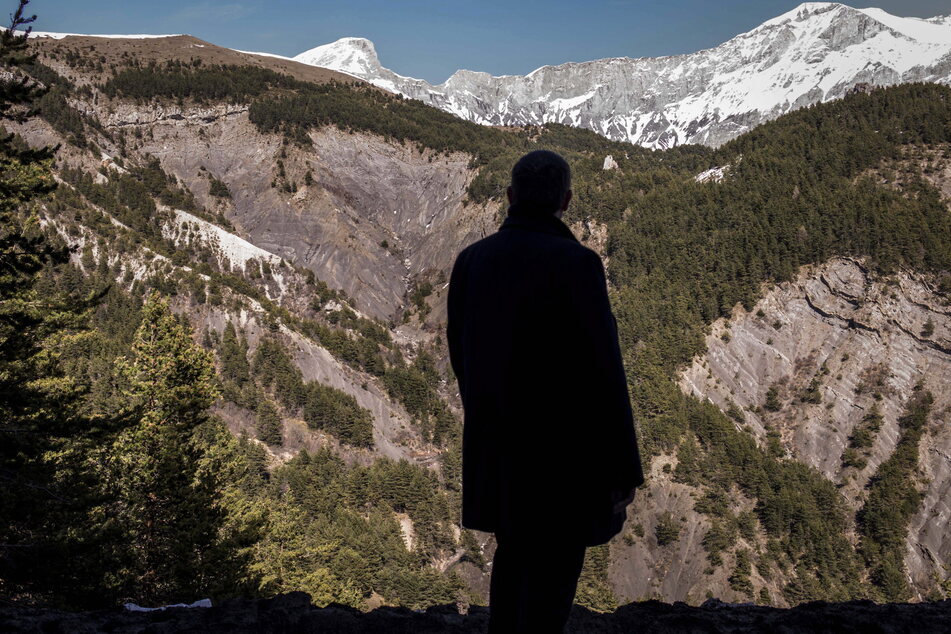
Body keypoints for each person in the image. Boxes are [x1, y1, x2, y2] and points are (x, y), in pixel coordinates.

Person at [447, 150, 644, 632]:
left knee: (512, 557)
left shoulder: (471, 261)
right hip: (564, 456)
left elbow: (461, 357)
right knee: (554, 581)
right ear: (566, 200)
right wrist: (623, 468)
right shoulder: (577, 264)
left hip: (499, 448)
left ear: (511, 197)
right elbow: (604, 371)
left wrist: (488, 416)